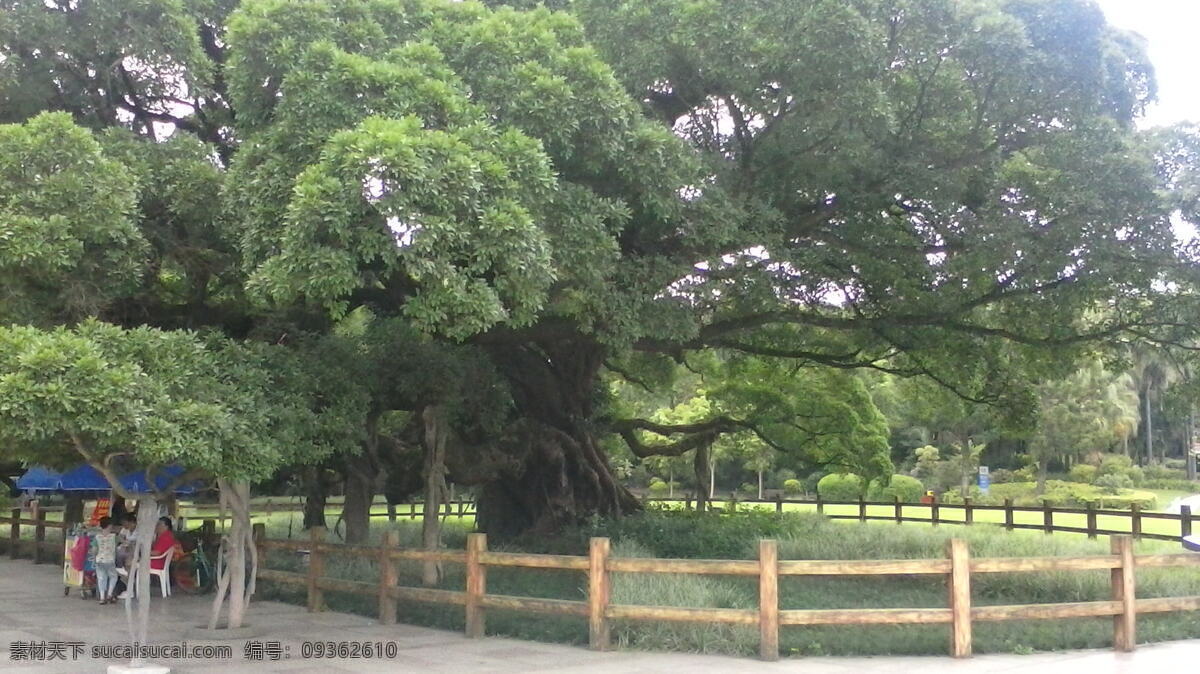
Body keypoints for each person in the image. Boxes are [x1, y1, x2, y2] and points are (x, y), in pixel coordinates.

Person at [93, 517, 119, 604]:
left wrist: (94, 558)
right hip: (110, 560)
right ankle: (110, 594)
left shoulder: (97, 537)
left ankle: (102, 597)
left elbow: (94, 550)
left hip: (99, 560)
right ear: (110, 526)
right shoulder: (114, 537)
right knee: (113, 576)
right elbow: (122, 544)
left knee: (101, 578)